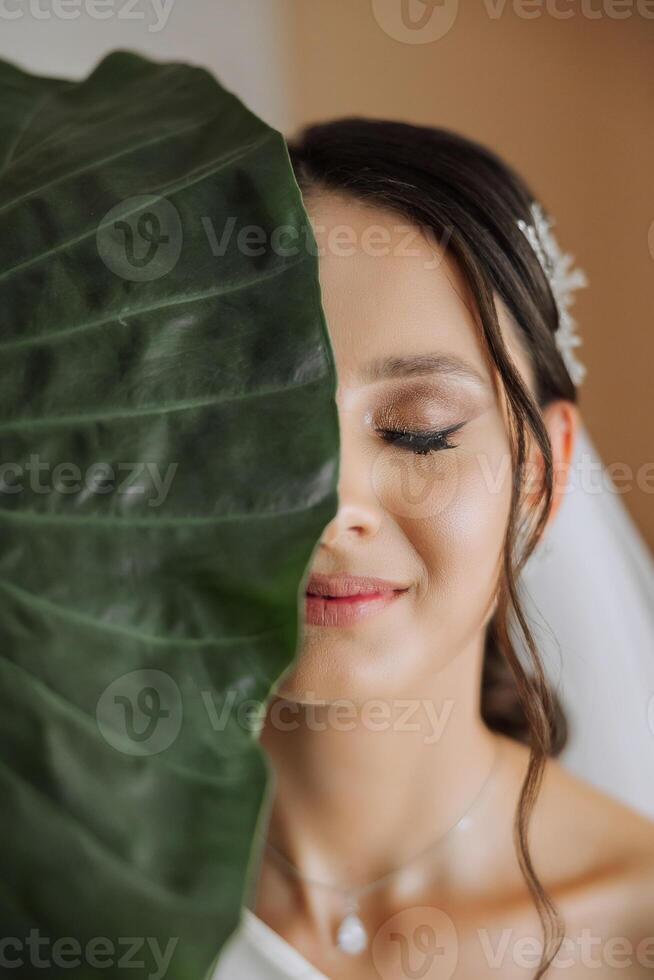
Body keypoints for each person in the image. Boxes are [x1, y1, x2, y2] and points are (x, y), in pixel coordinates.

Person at [211, 119, 654, 980]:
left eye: (418, 434)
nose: (335, 508)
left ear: (542, 472)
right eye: (260, 424)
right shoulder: (63, 888)